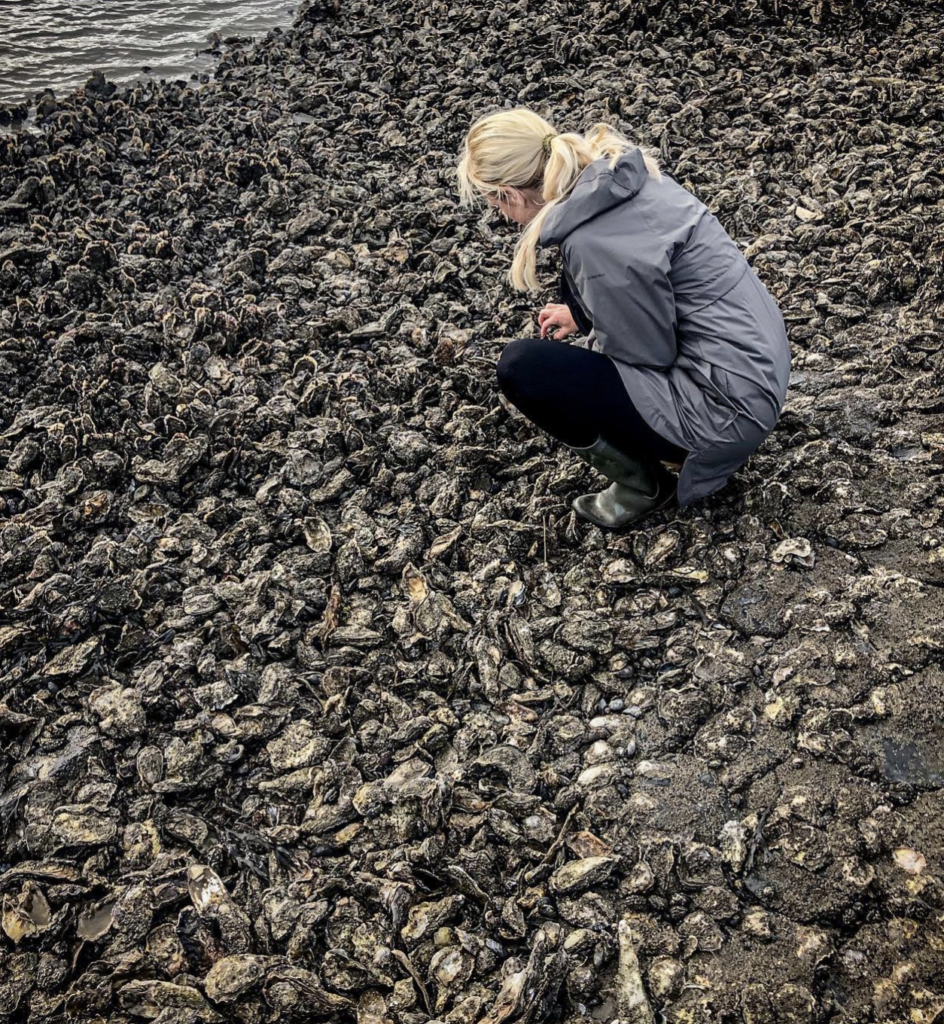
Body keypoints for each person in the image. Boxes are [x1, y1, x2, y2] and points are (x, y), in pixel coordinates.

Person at [455, 108, 792, 529]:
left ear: (511, 194)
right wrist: (584, 313)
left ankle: (643, 487)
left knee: (524, 368)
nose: (500, 215)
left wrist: (596, 338)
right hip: (758, 370)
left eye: (494, 203)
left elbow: (648, 352)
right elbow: (653, 285)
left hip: (724, 413)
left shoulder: (591, 241)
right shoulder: (626, 177)